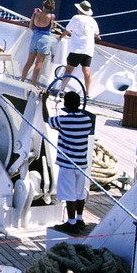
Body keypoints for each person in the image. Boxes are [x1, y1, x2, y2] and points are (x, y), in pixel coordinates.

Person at [52, 90, 97, 231]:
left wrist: (44, 102)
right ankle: (79, 219)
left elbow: (47, 119)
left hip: (68, 165)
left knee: (69, 194)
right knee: (79, 193)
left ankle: (71, 223)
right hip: (81, 164)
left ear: (66, 104)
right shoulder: (87, 120)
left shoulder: (64, 121)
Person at [59, 0, 100, 95]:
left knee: (69, 69)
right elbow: (97, 34)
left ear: (80, 10)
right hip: (88, 49)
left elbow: (67, 30)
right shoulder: (93, 21)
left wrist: (61, 37)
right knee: (86, 70)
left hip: (77, 49)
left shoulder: (76, 18)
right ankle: (88, 93)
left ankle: (62, 90)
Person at [18, 0, 58, 83]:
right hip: (44, 39)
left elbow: (31, 26)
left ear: (43, 5)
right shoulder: (51, 16)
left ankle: (22, 80)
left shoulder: (36, 14)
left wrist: (36, 32)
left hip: (34, 38)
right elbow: (52, 27)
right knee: (38, 64)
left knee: (29, 62)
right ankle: (33, 83)